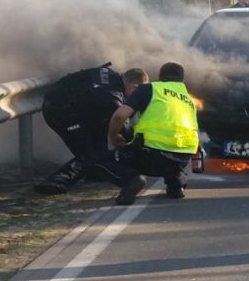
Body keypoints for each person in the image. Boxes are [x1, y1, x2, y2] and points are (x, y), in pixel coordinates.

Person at [34, 65, 148, 195]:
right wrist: (129, 136)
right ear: (134, 87)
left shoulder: (110, 76)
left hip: (75, 109)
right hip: (61, 112)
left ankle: (95, 173)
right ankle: (57, 181)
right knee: (89, 153)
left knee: (99, 147)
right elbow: (118, 117)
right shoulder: (111, 94)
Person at [101, 62, 200, 205]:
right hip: (182, 158)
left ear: (160, 77)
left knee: (104, 158)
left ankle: (131, 180)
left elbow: (119, 116)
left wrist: (113, 136)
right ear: (181, 79)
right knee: (172, 161)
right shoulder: (190, 100)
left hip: (151, 156)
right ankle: (176, 183)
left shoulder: (149, 89)